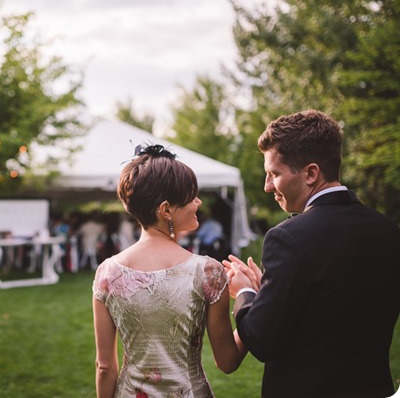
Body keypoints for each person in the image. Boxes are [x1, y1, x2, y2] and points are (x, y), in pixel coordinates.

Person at [224, 110, 400, 398]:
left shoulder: (288, 237)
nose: (268, 186)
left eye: (274, 174)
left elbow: (261, 341)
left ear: (311, 173)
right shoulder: (388, 231)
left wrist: (246, 292)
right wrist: (271, 291)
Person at [92, 144, 246, 398]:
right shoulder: (208, 272)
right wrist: (248, 300)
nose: (198, 202)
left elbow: (105, 367)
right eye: (191, 197)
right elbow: (227, 361)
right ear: (166, 210)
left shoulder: (108, 273)